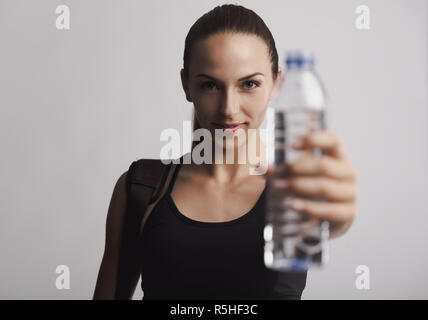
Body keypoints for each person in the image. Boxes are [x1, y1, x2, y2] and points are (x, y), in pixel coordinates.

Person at [93, 4, 358, 300]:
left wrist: (339, 216)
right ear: (186, 85)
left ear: (276, 84)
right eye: (210, 85)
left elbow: (332, 222)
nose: (228, 108)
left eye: (249, 84)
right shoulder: (140, 189)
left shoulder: (296, 191)